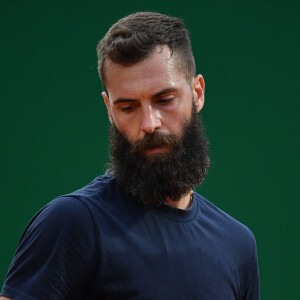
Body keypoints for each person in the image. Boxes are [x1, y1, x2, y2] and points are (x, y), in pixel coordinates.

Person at [0, 12, 260, 300]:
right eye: (128, 107)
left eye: (164, 100)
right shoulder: (71, 224)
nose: (149, 124)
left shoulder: (237, 245)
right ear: (109, 109)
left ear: (197, 93)